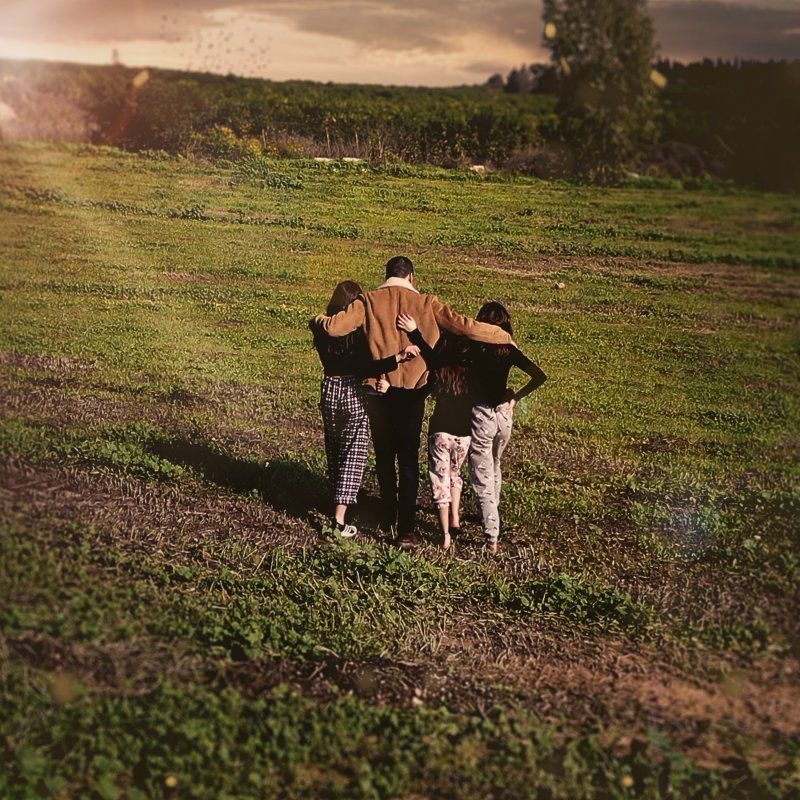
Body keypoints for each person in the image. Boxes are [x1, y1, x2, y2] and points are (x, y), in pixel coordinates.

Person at [312, 256, 512, 549]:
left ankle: (387, 515)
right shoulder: (428, 303)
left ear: (387, 274)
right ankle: (406, 530)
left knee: (383, 457)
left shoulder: (368, 301)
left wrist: (319, 319)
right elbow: (465, 327)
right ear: (411, 277)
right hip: (414, 395)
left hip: (379, 393)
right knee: (407, 460)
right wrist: (501, 335)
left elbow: (334, 329)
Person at [311, 280, 420, 539]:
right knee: (354, 453)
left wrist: (319, 318)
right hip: (353, 391)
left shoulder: (322, 328)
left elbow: (316, 323)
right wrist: (397, 358)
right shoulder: (357, 335)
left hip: (329, 388)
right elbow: (363, 367)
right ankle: (339, 518)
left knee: (335, 448)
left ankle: (336, 503)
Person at [467, 302, 547, 553]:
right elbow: (539, 376)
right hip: (504, 413)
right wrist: (516, 398)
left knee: (482, 474)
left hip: (482, 413)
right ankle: (495, 512)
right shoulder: (508, 348)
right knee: (496, 463)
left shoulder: (474, 347)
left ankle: (491, 534)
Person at [396, 313, 471, 551]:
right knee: (455, 475)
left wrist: (414, 330)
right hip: (464, 434)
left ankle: (446, 535)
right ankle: (456, 519)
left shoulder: (439, 369)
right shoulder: (471, 372)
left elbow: (428, 354)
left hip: (440, 432)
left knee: (440, 481)